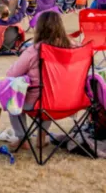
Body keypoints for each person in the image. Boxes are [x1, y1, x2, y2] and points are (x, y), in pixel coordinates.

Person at [6, 11, 72, 149]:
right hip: (66, 99)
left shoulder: (34, 51)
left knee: (11, 99)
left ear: (39, 29)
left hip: (37, 102)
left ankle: (23, 138)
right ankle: (41, 137)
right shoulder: (73, 48)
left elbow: (12, 74)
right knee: (49, 96)